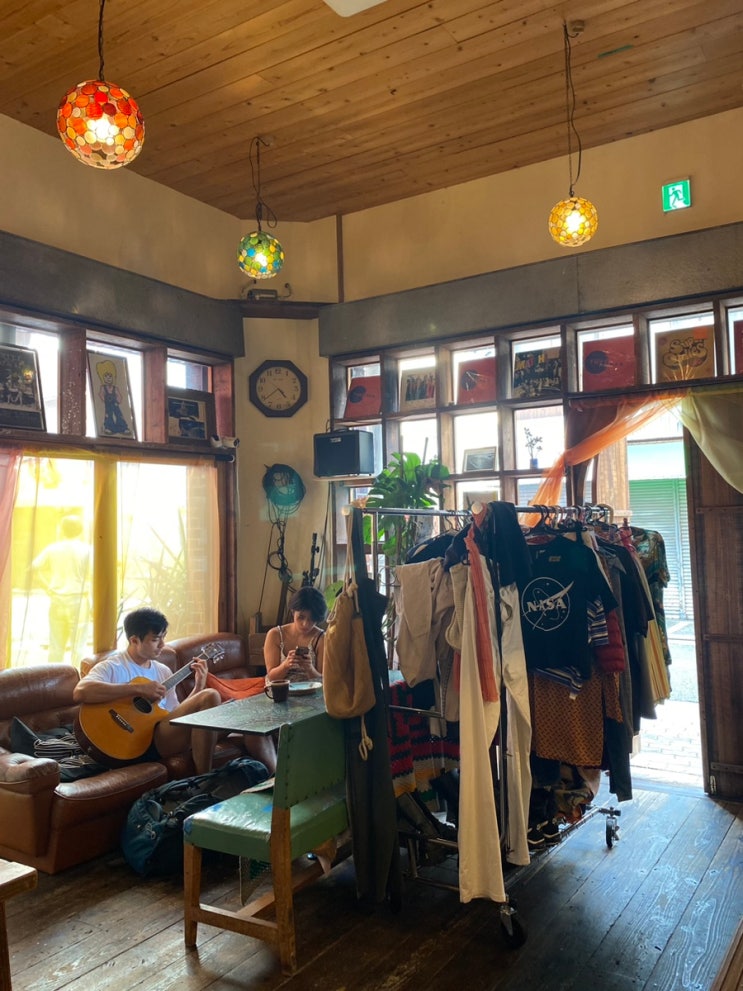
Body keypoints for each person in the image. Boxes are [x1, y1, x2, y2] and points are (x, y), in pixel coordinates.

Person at [73, 607, 220, 775]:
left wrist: (198, 687)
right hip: (127, 741)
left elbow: (177, 715)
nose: (162, 645)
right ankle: (205, 779)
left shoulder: (163, 671)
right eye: (156, 639)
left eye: (163, 637)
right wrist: (138, 688)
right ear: (134, 640)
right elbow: (80, 692)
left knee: (210, 697)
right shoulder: (112, 666)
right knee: (211, 695)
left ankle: (204, 778)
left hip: (157, 738)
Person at [32, 515, 91, 663]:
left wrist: (47, 587)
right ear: (80, 530)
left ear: (62, 530)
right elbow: (95, 575)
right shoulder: (87, 550)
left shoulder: (52, 549)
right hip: (79, 600)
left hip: (57, 599)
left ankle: (54, 676)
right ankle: (77, 676)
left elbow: (34, 568)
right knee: (78, 647)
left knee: (56, 646)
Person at [264, 586, 327, 684]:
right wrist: (285, 665)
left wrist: (309, 668)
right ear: (293, 612)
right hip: (280, 690)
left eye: (312, 619)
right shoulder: (275, 635)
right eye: (301, 617)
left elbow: (323, 681)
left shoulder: (321, 638)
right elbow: (272, 678)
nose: (305, 624)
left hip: (310, 691)